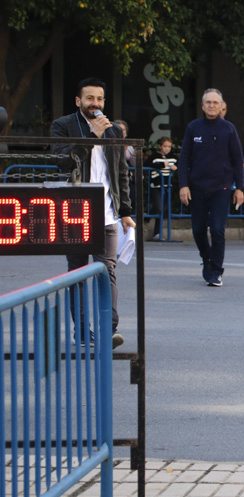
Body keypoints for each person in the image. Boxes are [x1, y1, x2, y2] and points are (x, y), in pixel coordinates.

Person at [50, 77, 135, 348]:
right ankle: (83, 333)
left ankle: (108, 330)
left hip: (107, 213)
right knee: (77, 271)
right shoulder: (62, 126)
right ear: (78, 101)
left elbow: (121, 173)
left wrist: (125, 211)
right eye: (89, 99)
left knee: (106, 270)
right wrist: (91, 137)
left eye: (99, 99)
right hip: (74, 212)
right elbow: (62, 160)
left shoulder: (113, 132)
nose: (95, 104)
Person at [177, 89, 244, 286]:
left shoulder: (229, 129)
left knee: (217, 229)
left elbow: (237, 159)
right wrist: (183, 185)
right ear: (202, 105)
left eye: (215, 102)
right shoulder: (193, 127)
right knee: (198, 230)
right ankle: (207, 258)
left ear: (222, 105)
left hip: (221, 188)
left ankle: (216, 269)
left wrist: (239, 188)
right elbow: (184, 159)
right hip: (197, 187)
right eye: (208, 102)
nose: (212, 105)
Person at [144, 136, 177, 239]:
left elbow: (180, 163)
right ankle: (147, 216)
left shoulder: (173, 157)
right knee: (158, 206)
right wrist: (161, 165)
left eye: (169, 147)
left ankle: (157, 233)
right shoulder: (154, 156)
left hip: (167, 186)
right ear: (160, 146)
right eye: (165, 146)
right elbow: (147, 165)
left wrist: (176, 167)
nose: (167, 149)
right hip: (156, 186)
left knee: (163, 209)